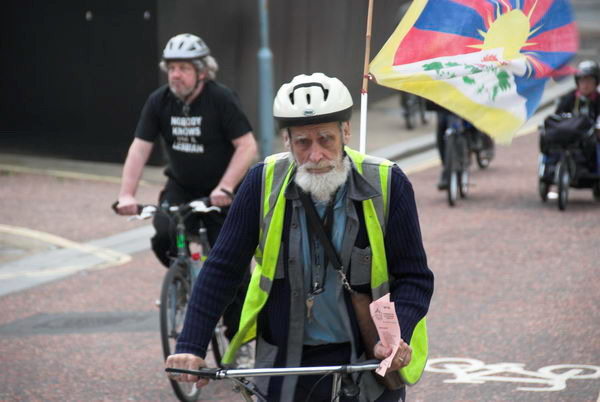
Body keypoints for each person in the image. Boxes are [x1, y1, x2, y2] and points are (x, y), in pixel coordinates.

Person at [165, 73, 434, 401]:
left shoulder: (387, 182)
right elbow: (222, 268)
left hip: (365, 359)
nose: (315, 155)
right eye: (303, 142)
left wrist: (397, 335)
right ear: (286, 140)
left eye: (326, 139)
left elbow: (415, 277)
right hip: (285, 364)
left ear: (345, 132)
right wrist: (192, 343)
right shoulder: (261, 183)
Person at [114, 33, 257, 341]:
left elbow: (247, 147)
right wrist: (126, 194)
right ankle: (183, 281)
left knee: (234, 268)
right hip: (182, 189)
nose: (175, 75)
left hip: (223, 194)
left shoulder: (221, 99)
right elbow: (139, 148)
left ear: (202, 71)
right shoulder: (159, 101)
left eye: (183, 68)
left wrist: (227, 187)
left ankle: (238, 339)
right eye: (171, 67)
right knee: (162, 235)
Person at [550, 60, 600, 173]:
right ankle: (552, 166)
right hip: (571, 134)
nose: (585, 85)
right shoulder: (570, 98)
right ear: (578, 82)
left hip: (590, 136)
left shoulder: (598, 100)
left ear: (596, 82)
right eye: (582, 81)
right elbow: (558, 115)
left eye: (589, 81)